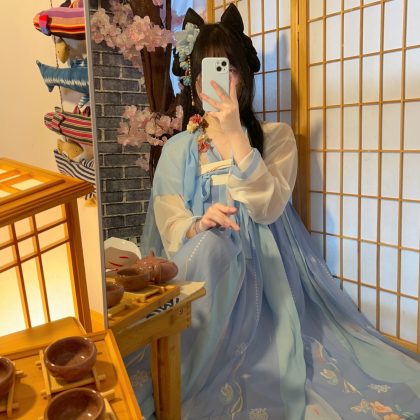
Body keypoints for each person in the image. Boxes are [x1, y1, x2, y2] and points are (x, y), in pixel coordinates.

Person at [127, 4, 420, 419]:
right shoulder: (179, 148)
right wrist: (196, 225)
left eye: (228, 70)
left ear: (244, 77)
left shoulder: (275, 137)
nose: (218, 83)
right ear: (194, 81)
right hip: (206, 267)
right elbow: (169, 214)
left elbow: (267, 208)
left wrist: (235, 134)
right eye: (207, 72)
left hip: (265, 268)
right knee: (207, 251)